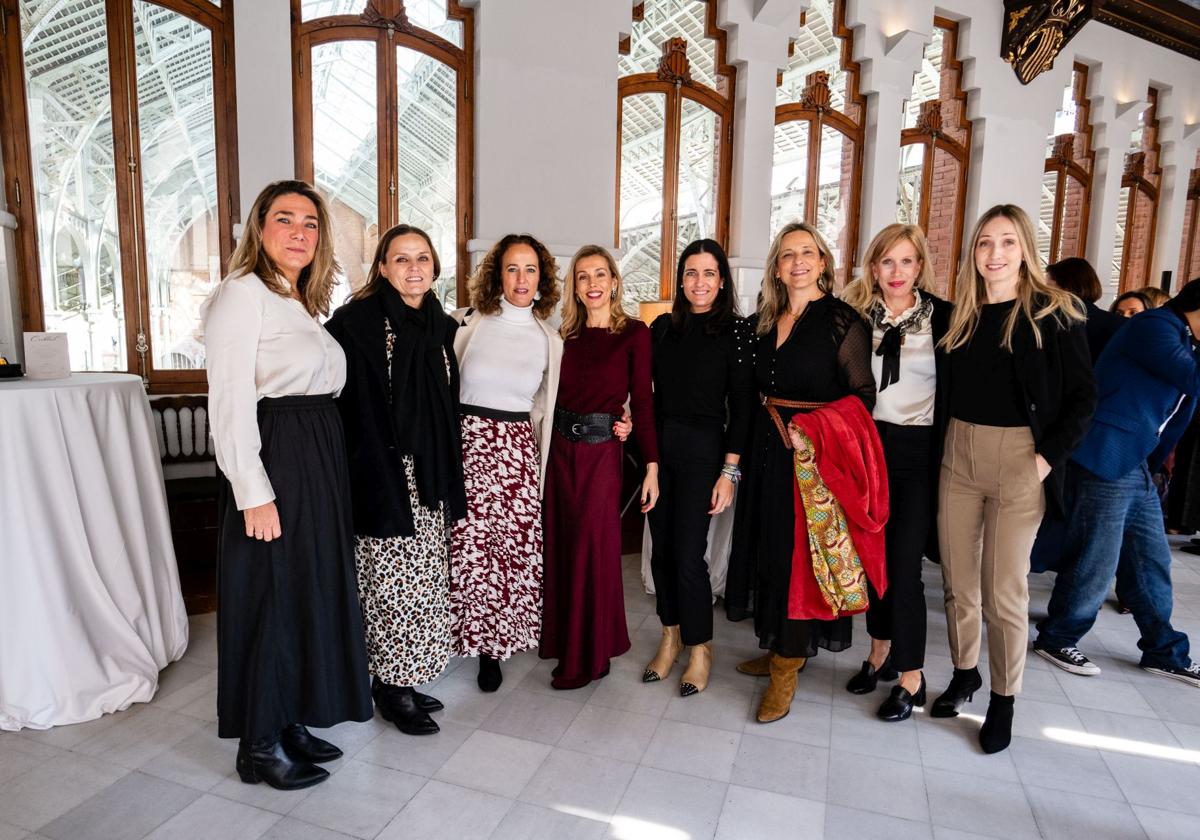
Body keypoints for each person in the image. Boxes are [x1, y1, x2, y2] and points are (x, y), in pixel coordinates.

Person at [202, 180, 371, 790]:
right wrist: (254, 490)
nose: (299, 232)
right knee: (270, 596)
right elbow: (228, 402)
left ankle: (292, 717)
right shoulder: (239, 296)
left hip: (317, 457)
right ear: (260, 227)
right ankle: (259, 743)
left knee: (305, 590)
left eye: (310, 222)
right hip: (276, 457)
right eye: (285, 219)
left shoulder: (299, 302)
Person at [933, 204, 1095, 754]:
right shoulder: (962, 315)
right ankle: (965, 672)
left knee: (1003, 590)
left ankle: (1004, 698)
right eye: (983, 243)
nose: (994, 254)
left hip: (1020, 460)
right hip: (959, 454)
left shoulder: (1056, 313)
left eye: (1005, 242)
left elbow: (1082, 398)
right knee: (958, 583)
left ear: (1025, 247)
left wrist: (1047, 457)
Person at [725, 221, 877, 724]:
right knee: (770, 550)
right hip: (767, 450)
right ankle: (777, 648)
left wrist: (812, 430)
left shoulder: (842, 321)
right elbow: (747, 394)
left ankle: (787, 669)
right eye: (787, 254)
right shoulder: (762, 322)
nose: (797, 262)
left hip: (813, 458)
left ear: (823, 262)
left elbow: (862, 397)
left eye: (807, 252)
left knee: (797, 562)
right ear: (776, 265)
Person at [325, 223, 466, 737]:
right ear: (382, 267)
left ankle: (401, 678)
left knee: (423, 583)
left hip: (426, 474)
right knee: (387, 586)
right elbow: (339, 400)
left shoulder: (439, 324)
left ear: (434, 268)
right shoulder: (355, 322)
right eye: (401, 259)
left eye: (422, 258)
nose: (413, 268)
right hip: (381, 470)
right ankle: (389, 688)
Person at [1033, 278, 1200, 689]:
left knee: (1150, 557)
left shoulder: (1179, 334)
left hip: (1133, 459)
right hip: (1105, 451)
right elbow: (1193, 380)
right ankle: (1058, 637)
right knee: (1097, 555)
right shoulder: (1155, 326)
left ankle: (1164, 650)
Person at [840, 223, 951, 721]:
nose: (897, 272)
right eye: (887, 262)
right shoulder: (858, 317)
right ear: (873, 267)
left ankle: (912, 676)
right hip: (869, 449)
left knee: (905, 569)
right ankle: (879, 653)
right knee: (873, 564)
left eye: (906, 261)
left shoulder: (945, 319)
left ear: (920, 266)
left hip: (918, 452)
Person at [539, 245, 659, 690]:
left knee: (594, 551)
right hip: (559, 456)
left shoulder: (634, 333)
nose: (592, 284)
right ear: (576, 286)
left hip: (601, 456)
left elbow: (643, 404)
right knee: (564, 549)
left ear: (613, 281)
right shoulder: (561, 336)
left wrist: (651, 465)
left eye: (600, 274)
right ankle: (567, 642)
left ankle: (589, 657)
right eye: (583, 276)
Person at [449, 234, 563, 693]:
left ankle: (493, 649)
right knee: (467, 550)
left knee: (509, 552)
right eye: (512, 269)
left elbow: (550, 404)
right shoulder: (467, 323)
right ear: (498, 274)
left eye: (531, 269)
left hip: (516, 449)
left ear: (542, 278)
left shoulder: (549, 339)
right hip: (467, 443)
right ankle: (459, 637)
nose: (521, 279)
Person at [644, 239, 753, 697]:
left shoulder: (737, 332)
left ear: (722, 280)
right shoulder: (663, 328)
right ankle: (669, 638)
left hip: (705, 451)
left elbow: (744, 407)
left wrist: (729, 473)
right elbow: (644, 392)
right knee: (661, 552)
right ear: (680, 279)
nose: (700, 282)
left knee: (689, 556)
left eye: (709, 273)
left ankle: (701, 647)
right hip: (660, 452)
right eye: (691, 273)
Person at [1047, 257, 1123, 362]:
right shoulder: (1120, 324)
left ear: (1066, 287)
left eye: (1048, 288)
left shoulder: (1054, 325)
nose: (1044, 295)